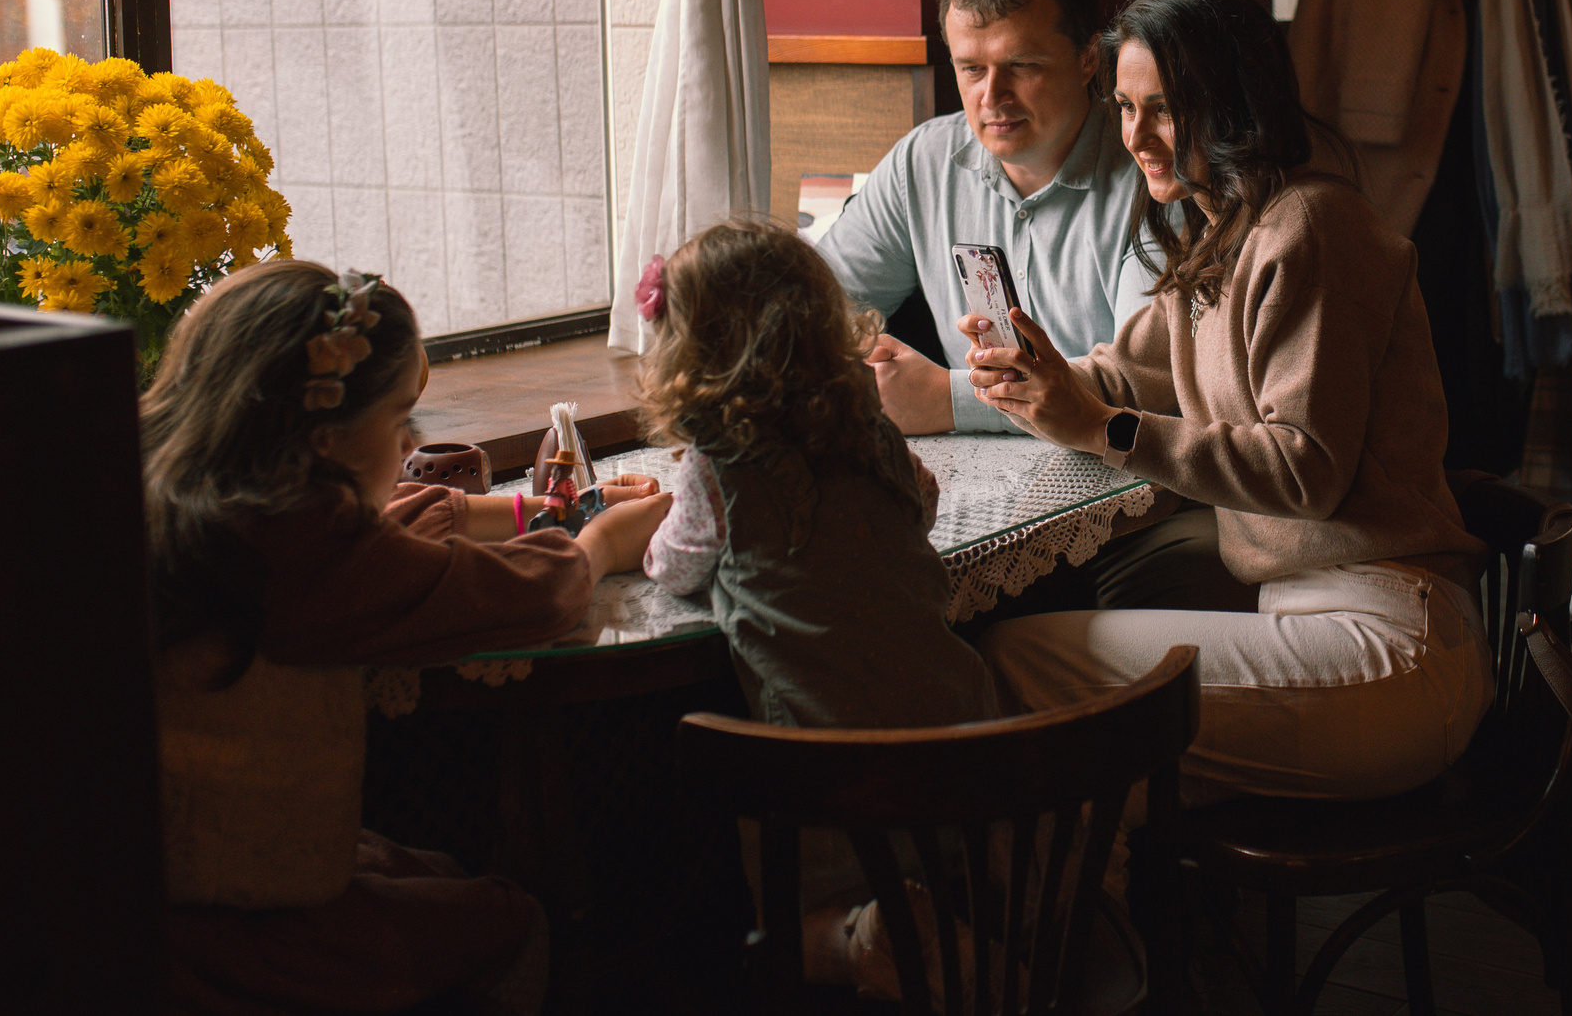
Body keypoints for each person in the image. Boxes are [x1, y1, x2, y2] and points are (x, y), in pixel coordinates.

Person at [967, 0, 1494, 803]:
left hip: (1390, 640)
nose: (1137, 135)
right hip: (1315, 622)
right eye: (1125, 106)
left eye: (1166, 109)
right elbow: (1118, 377)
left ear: (1238, 105)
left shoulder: (1311, 226)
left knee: (1012, 660)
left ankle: (1048, 922)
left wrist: (1105, 428)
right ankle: (1135, 914)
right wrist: (1038, 372)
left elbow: (1305, 469)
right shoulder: (1222, 235)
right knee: (1044, 676)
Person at [144, 260, 672, 1016]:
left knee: (426, 865)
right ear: (325, 437)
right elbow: (526, 596)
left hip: (118, 893)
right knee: (514, 919)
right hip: (238, 937)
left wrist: (532, 513)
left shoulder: (168, 483)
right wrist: (602, 543)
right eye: (399, 423)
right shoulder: (308, 544)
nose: (408, 445)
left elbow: (386, 528)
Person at [814, 0, 1252, 615]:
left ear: (1088, 60)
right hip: (988, 496)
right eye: (970, 68)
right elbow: (813, 299)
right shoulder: (924, 164)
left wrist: (944, 399)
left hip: (1143, 502)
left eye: (1021, 65)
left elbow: (1153, 383)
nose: (993, 96)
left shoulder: (1153, 171)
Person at [635, 219, 993, 730]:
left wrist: (642, 535)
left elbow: (675, 568)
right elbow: (922, 507)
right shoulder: (871, 430)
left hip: (828, 767)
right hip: (957, 725)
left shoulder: (715, 466)